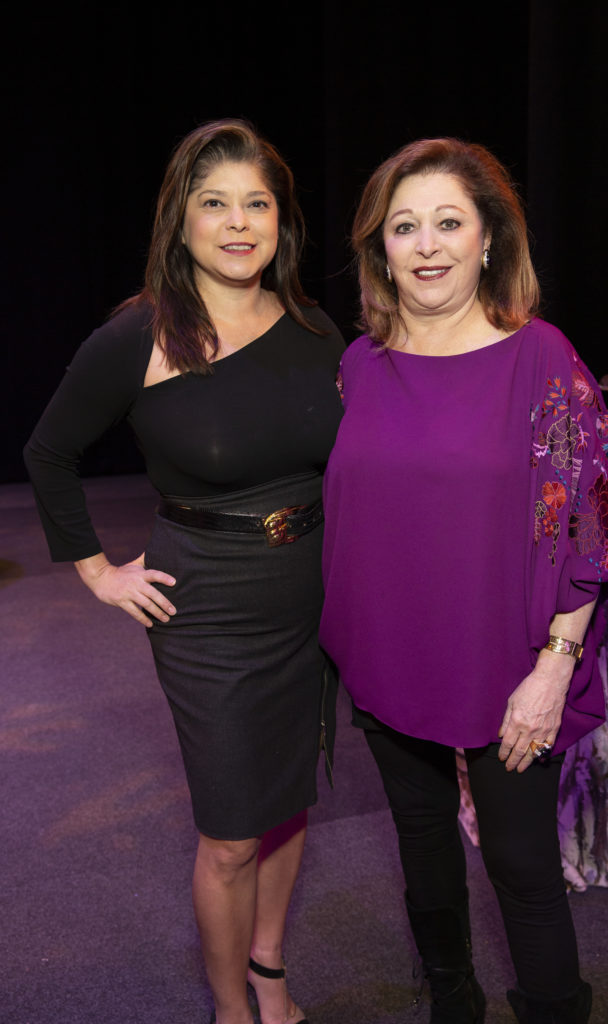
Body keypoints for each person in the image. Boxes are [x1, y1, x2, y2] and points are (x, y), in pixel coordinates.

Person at [24, 118, 345, 1024]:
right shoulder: (141, 333)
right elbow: (49, 451)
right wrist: (96, 572)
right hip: (206, 606)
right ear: (182, 219)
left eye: (258, 204)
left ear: (282, 220)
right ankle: (228, 1009)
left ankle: (270, 969)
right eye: (216, 204)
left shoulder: (315, 328)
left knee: (288, 805)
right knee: (231, 831)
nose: (239, 223)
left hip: (309, 596)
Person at [319, 137, 608, 1024]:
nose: (426, 246)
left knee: (521, 866)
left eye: (448, 224)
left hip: (508, 664)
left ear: (489, 241)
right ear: (378, 247)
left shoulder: (538, 359)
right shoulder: (360, 366)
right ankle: (451, 1003)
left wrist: (552, 666)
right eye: (404, 227)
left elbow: (600, 517)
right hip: (385, 656)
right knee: (421, 846)